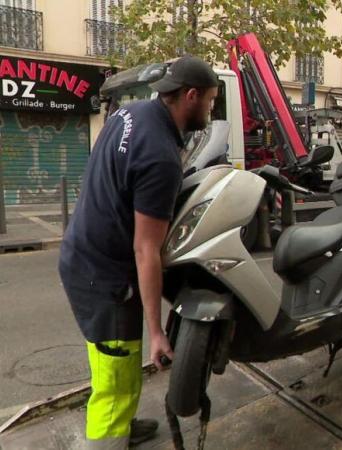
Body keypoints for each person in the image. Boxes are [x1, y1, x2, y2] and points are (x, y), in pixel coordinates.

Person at [58, 55, 219, 449]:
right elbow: (146, 249)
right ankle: (111, 438)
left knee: (117, 362)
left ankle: (124, 426)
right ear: (191, 96)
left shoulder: (129, 114)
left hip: (84, 255)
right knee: (114, 377)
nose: (212, 110)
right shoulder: (161, 156)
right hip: (105, 277)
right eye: (211, 101)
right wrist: (156, 332)